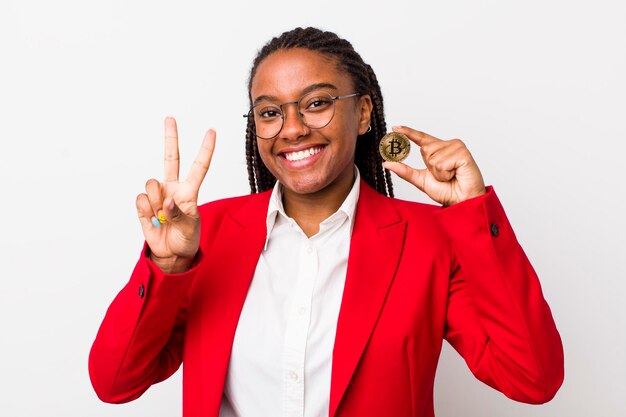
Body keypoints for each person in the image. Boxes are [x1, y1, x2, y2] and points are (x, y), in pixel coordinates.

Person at [89, 27, 564, 417]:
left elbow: (532, 379)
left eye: (317, 103)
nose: (292, 128)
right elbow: (115, 383)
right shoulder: (203, 235)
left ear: (362, 113)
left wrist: (473, 215)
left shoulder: (429, 240)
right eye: (270, 112)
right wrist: (167, 265)